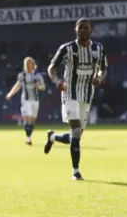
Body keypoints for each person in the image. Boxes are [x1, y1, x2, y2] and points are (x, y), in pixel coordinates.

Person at [43, 18, 107, 180]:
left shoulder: (98, 49)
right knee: (76, 131)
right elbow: (52, 67)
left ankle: (53, 137)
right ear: (75, 30)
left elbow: (103, 68)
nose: (83, 30)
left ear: (91, 30)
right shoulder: (67, 48)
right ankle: (75, 171)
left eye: (86, 27)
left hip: (87, 95)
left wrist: (99, 78)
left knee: (76, 135)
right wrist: (57, 81)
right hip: (69, 94)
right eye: (80, 27)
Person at [5, 57, 46, 145]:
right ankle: (28, 138)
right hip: (26, 99)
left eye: (30, 64)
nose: (28, 66)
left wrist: (38, 86)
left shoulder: (37, 76)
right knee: (29, 118)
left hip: (35, 100)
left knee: (32, 120)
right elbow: (18, 85)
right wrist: (10, 94)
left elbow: (43, 87)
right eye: (26, 64)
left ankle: (28, 135)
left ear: (33, 65)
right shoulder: (22, 75)